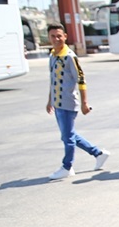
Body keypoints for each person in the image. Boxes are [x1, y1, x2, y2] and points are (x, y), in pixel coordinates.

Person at [44, 23, 110, 181]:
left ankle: (67, 166)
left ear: (65, 36)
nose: (56, 39)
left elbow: (81, 80)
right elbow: (53, 81)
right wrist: (49, 100)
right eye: (53, 36)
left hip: (68, 103)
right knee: (69, 135)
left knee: (67, 137)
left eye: (59, 36)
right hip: (58, 103)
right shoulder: (53, 55)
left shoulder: (69, 57)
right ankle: (98, 153)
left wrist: (84, 103)